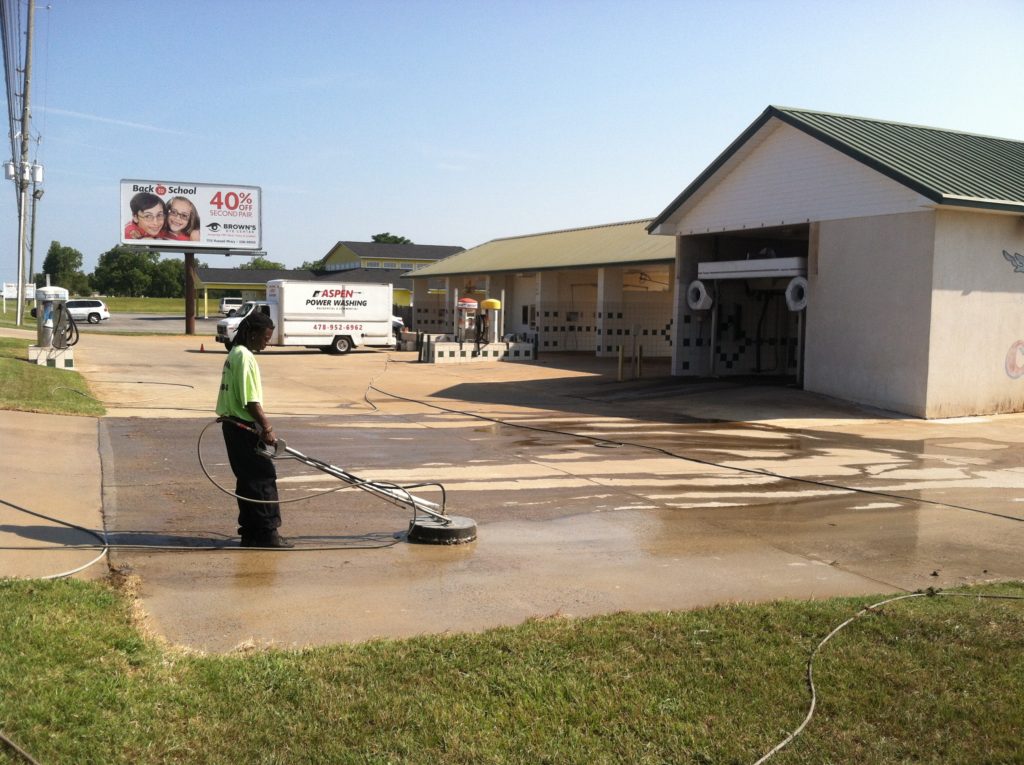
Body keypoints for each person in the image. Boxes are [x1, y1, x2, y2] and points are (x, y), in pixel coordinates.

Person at [214, 310, 292, 548]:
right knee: (263, 478)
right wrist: (267, 428)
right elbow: (250, 401)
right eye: (265, 338)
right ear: (252, 333)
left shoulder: (233, 354)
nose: (267, 343)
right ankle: (267, 534)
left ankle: (250, 533)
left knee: (247, 480)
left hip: (232, 426)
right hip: (243, 426)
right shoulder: (245, 357)